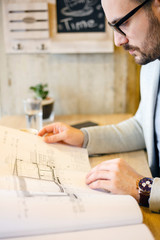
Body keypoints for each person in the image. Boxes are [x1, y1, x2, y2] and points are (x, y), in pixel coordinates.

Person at [38, 0, 160, 213]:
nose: (118, 41)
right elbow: (144, 128)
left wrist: (143, 187)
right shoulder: (153, 62)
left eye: (123, 23)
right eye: (112, 28)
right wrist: (83, 138)